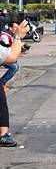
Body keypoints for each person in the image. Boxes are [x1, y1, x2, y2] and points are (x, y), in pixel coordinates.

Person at [0, 19, 29, 147]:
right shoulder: (5, 36)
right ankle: (3, 134)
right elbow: (11, 57)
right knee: (1, 105)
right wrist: (18, 37)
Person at [0, 19, 21, 92]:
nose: (17, 29)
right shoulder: (5, 36)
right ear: (10, 28)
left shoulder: (12, 35)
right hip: (3, 57)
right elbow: (6, 50)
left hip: (4, 55)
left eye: (18, 27)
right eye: (15, 28)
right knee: (14, 67)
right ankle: (2, 83)